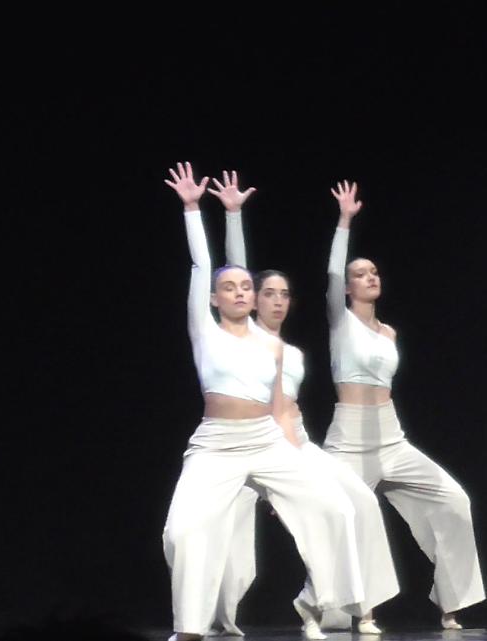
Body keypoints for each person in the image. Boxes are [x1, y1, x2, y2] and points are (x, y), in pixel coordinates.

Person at [160, 163, 363, 641]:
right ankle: (189, 628)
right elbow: (205, 267)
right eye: (228, 288)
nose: (239, 292)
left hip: (266, 440)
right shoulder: (204, 330)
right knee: (181, 533)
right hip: (215, 445)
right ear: (212, 299)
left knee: (333, 508)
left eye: (245, 287)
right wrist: (195, 208)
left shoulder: (268, 342)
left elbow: (278, 408)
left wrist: (285, 474)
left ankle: (315, 604)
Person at [202, 171, 400, 639]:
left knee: (355, 504)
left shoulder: (291, 351)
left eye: (284, 294)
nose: (276, 301)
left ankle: (335, 606)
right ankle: (215, 619)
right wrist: (232, 216)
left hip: (295, 442)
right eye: (266, 293)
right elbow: (237, 270)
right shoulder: (239, 337)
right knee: (230, 549)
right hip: (243, 442)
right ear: (249, 300)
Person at [317, 180, 486, 630]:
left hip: (391, 435)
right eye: (361, 274)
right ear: (349, 288)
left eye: (374, 272)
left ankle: (450, 601)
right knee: (348, 516)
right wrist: (344, 221)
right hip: (350, 437)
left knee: (453, 500)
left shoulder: (389, 333)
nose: (370, 277)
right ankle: (352, 609)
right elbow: (333, 275)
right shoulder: (341, 322)